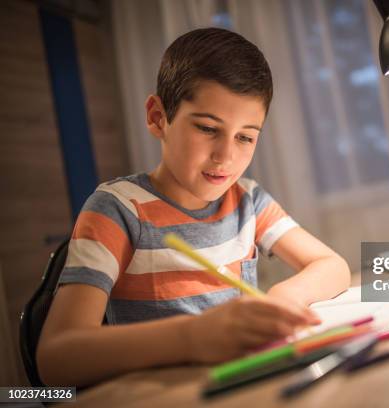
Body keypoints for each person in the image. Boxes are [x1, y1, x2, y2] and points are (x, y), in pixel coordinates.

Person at [37, 27, 351, 387]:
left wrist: (281, 298)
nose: (226, 156)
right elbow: (55, 358)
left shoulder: (248, 201)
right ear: (158, 117)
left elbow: (333, 266)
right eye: (207, 128)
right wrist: (191, 338)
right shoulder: (118, 210)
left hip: (239, 386)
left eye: (245, 137)